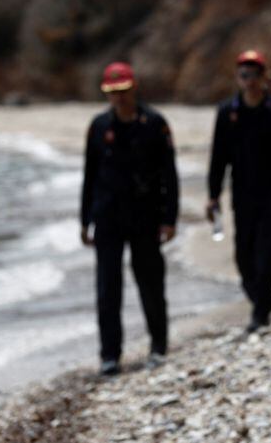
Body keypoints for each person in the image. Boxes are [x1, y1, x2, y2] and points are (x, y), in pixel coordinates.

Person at [80, 61, 179, 376]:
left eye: (123, 91)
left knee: (150, 283)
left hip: (145, 216)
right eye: (112, 92)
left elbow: (169, 175)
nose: (119, 98)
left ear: (134, 87)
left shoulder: (154, 123)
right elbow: (90, 176)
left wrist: (169, 217)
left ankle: (159, 346)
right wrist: (84, 220)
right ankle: (110, 355)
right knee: (108, 288)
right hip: (107, 217)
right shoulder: (98, 127)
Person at [207, 50, 271, 332]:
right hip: (241, 193)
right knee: (243, 254)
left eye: (254, 74)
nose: (249, 80)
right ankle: (265, 298)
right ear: (237, 78)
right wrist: (213, 195)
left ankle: (259, 311)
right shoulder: (227, 113)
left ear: (263, 77)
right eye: (244, 74)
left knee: (266, 252)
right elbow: (218, 157)